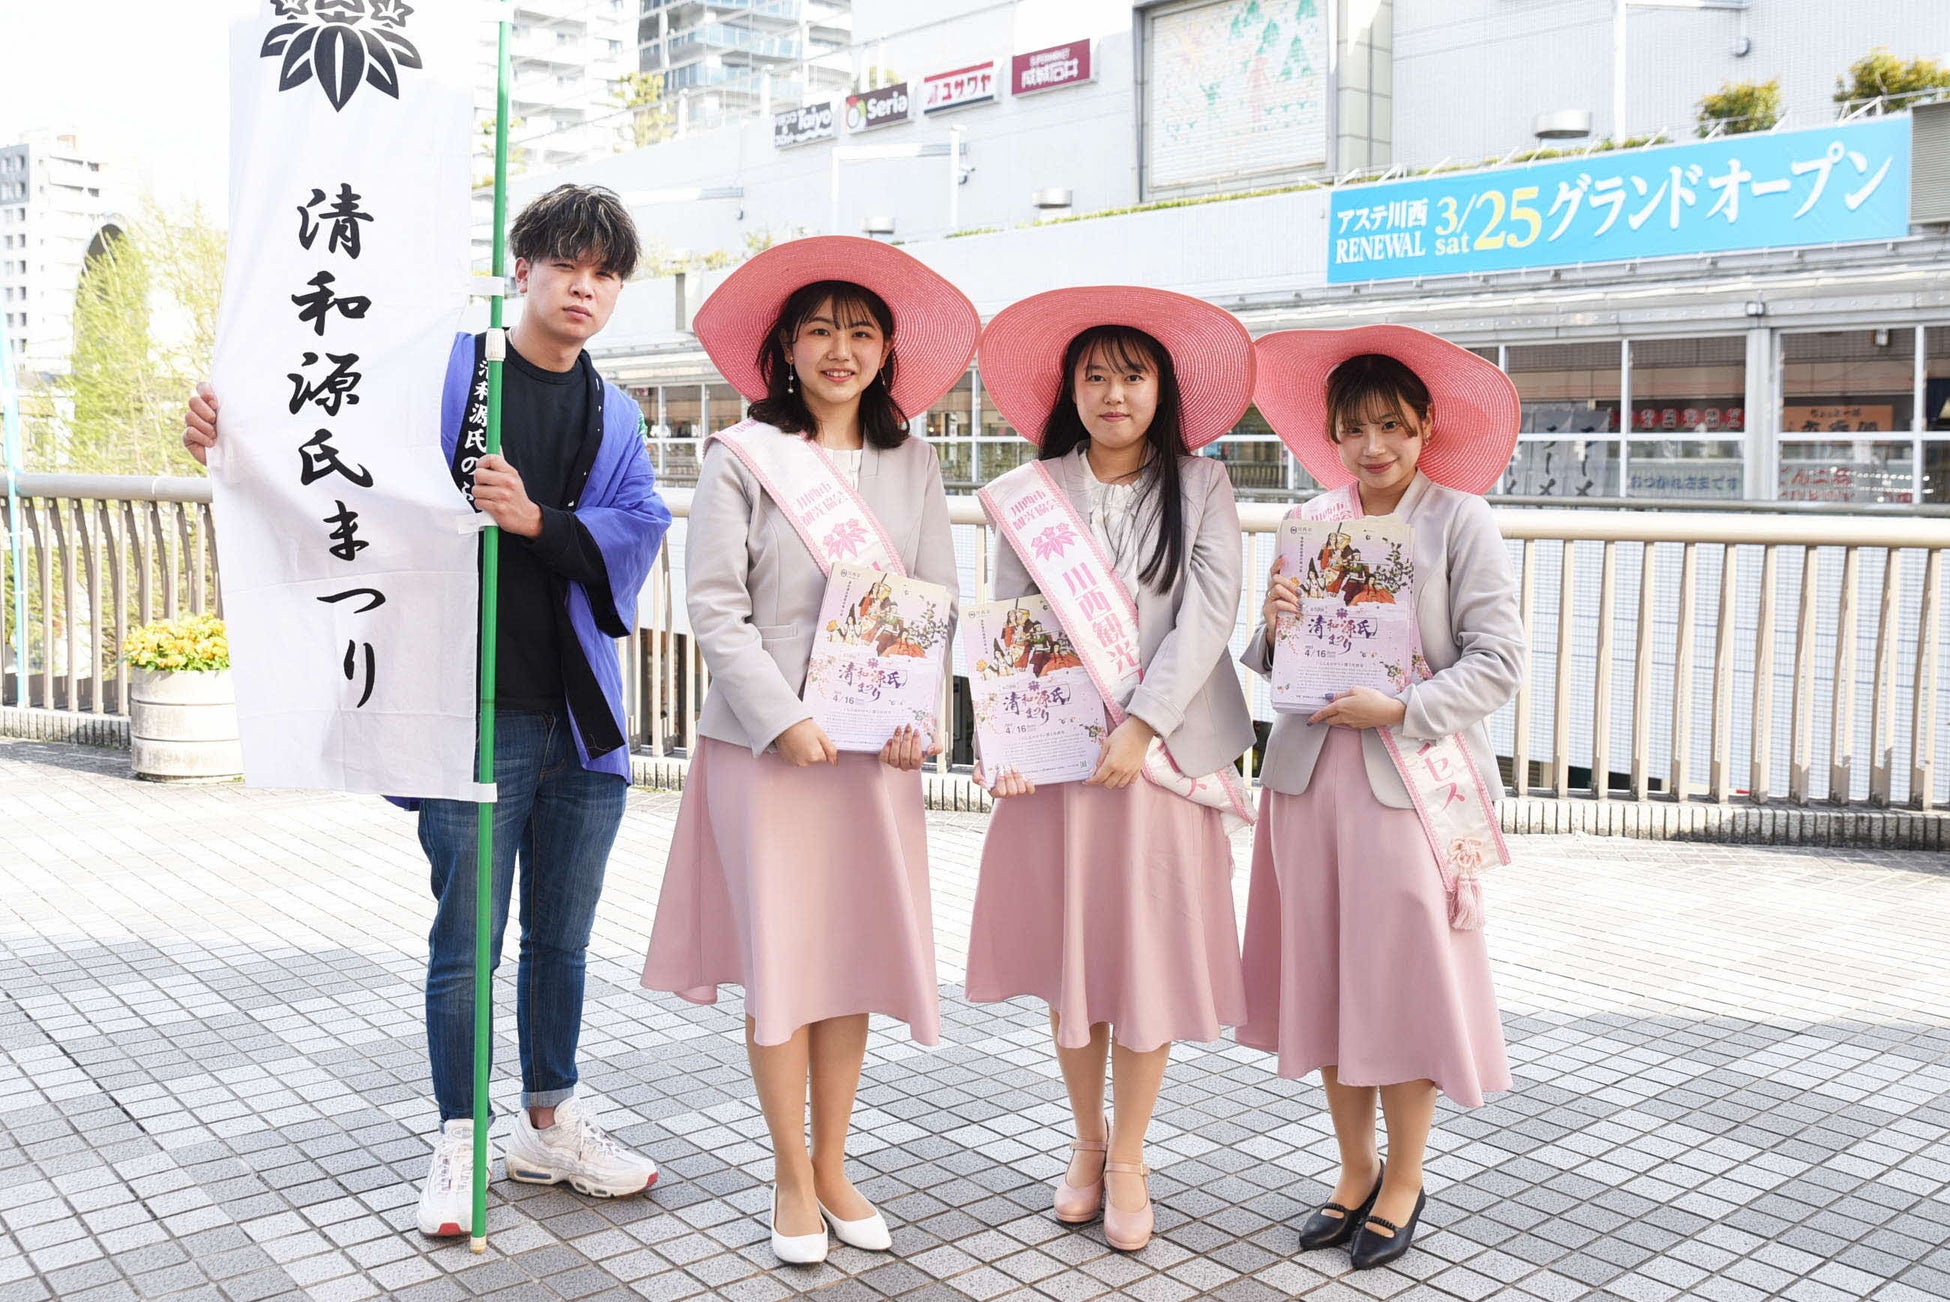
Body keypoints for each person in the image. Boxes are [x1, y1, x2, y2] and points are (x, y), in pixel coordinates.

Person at [181, 184, 672, 1238]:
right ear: (522, 268)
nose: (584, 288)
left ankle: (551, 1120)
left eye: (605, 274)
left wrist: (537, 520)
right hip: (466, 709)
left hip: (581, 717)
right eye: (566, 264)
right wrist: (230, 436)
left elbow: (639, 527)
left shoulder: (619, 413)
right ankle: (461, 1136)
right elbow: (330, 452)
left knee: (563, 940)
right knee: (467, 941)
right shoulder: (449, 373)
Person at [638, 237, 978, 1266]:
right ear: (786, 347)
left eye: (861, 332)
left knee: (848, 959)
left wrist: (922, 719)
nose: (841, 349)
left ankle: (835, 1165)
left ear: (886, 352)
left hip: (873, 754)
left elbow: (933, 601)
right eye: (820, 330)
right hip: (767, 753)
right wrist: (782, 716)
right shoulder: (741, 456)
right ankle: (790, 1174)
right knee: (784, 963)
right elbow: (714, 607)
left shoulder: (913, 462)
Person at [962, 287, 1258, 1253]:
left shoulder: (1204, 485)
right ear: (1071, 391)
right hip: (1062, 768)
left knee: (1145, 959)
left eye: (1133, 375)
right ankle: (1085, 1142)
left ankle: (1129, 1156)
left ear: (1161, 389)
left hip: (1161, 763)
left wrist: (1142, 726)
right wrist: (1007, 743)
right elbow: (1013, 630)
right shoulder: (1031, 492)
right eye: (1095, 376)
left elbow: (1209, 617)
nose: (1114, 393)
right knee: (1076, 959)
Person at [1238, 325, 1526, 1269]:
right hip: (1307, 781)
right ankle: (1353, 1169)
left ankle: (1405, 1178)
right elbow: (1273, 661)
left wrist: (1402, 708)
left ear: (1425, 426)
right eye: (1356, 428)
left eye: (1393, 426)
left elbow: (1499, 661)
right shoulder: (1309, 521)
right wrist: (1273, 626)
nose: (1374, 447)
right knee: (1325, 979)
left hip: (1406, 786)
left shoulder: (1461, 521)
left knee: (1401, 985)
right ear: (1331, 432)